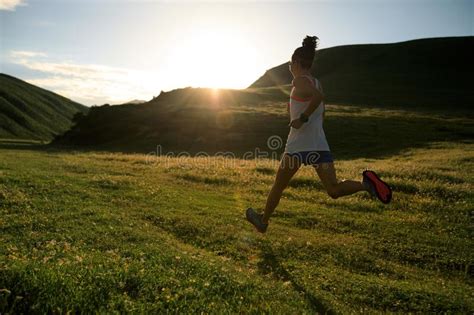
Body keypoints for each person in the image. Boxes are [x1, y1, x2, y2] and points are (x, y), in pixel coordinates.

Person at [246, 35, 392, 233]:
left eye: (290, 63)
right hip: (319, 144)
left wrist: (302, 119)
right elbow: (321, 107)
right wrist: (306, 120)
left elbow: (317, 98)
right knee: (333, 189)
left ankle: (263, 221)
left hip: (297, 147)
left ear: (297, 62)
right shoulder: (317, 82)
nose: (290, 67)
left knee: (278, 186)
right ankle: (366, 185)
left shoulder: (299, 81)